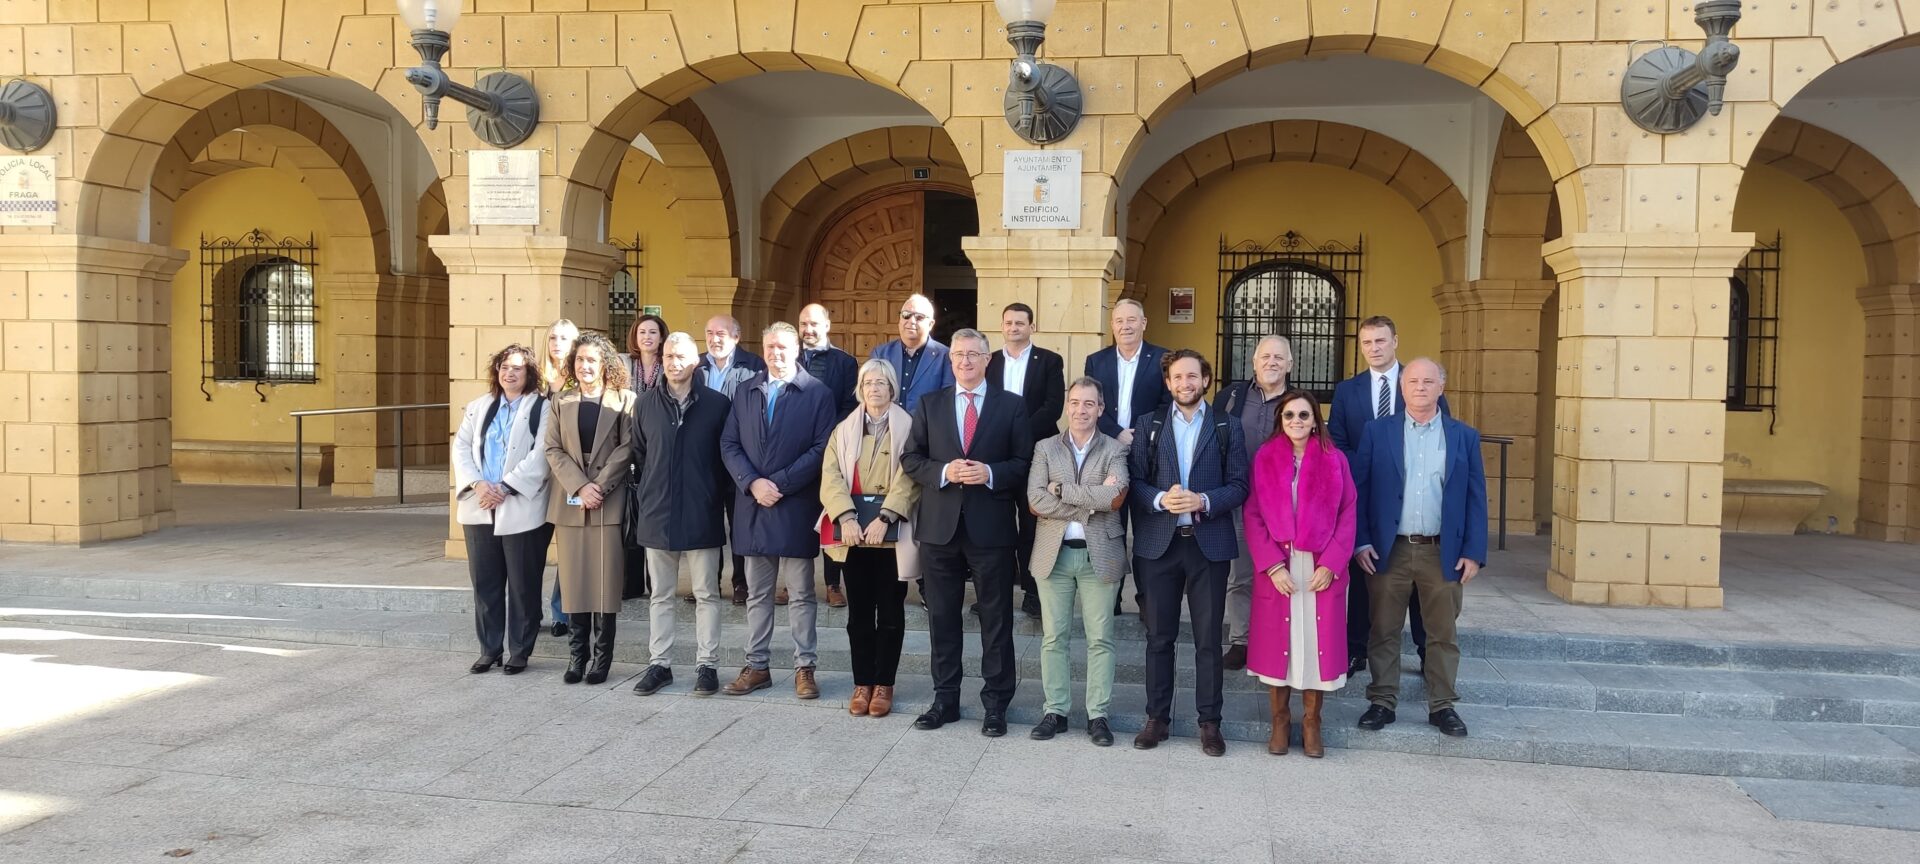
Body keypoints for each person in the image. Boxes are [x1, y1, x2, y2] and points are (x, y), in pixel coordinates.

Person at [901, 328, 1032, 736]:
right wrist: (944, 471)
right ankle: (946, 699)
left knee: (996, 620)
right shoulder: (930, 404)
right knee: (942, 618)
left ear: (987, 360)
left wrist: (989, 472)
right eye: (959, 355)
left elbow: (1024, 462)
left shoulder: (1011, 407)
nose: (965, 361)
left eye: (973, 354)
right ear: (950, 360)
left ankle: (996, 703)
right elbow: (910, 458)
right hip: (940, 530)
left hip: (990, 529)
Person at [1352, 358, 1487, 739]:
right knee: (1383, 629)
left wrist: (1474, 551)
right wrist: (1360, 540)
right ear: (1402, 387)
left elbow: (1477, 496)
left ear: (1441, 387)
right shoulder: (1377, 432)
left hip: (1440, 551)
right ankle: (1382, 701)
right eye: (1413, 381)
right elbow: (1360, 492)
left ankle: (1442, 706)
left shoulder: (1463, 436)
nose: (1421, 387)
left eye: (1429, 381)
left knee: (1442, 633)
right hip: (1387, 551)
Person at [1126, 348, 1250, 756]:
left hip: (1208, 547)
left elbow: (1238, 486)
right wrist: (1162, 499)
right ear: (1168, 383)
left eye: (1192, 377)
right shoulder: (1149, 424)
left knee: (1208, 641)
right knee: (1158, 638)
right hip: (1158, 547)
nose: (1185, 383)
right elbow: (1135, 483)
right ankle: (1156, 719)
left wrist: (1205, 501)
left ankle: (1209, 723)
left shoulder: (1227, 426)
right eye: (1177, 377)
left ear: (1205, 380)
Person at [717, 322, 838, 699]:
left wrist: (780, 483)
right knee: (757, 593)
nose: (776, 353)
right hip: (753, 504)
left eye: (783, 347)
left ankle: (805, 668)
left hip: (796, 503)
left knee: (801, 592)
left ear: (797, 349)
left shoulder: (816, 393)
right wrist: (752, 482)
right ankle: (757, 666)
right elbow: (729, 442)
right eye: (770, 346)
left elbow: (822, 448)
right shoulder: (746, 389)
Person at [1242, 388, 1356, 758]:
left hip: (1320, 567)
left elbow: (1348, 513)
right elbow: (1254, 514)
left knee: (1313, 646)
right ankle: (1279, 720)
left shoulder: (1334, 459)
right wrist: (1272, 565)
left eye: (1303, 415)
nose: (1296, 422)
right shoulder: (1266, 458)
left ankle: (1311, 722)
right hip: (1280, 566)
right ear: (1281, 420)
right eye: (1289, 415)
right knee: (1281, 646)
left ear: (1315, 420)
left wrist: (1333, 565)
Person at [1328, 316, 1441, 674]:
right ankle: (1356, 648)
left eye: (1380, 341)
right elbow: (1338, 442)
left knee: (1421, 582)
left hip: (1416, 499)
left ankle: (1426, 653)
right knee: (1365, 573)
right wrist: (1370, 465)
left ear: (1395, 341)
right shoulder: (1348, 390)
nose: (1373, 349)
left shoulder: (1421, 382)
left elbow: (1443, 436)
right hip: (1366, 497)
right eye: (1366, 343)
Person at [1024, 377, 1129, 747]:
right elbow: (1036, 501)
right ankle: (1056, 710)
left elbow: (1115, 498)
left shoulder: (1115, 449)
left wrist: (1063, 491)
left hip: (1100, 555)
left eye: (1089, 404)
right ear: (1066, 406)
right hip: (1054, 556)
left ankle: (1098, 715)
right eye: (1075, 403)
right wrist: (1091, 500)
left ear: (1101, 409)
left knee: (1101, 638)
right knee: (1054, 638)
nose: (1081, 410)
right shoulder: (1045, 448)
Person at [627, 332, 732, 699]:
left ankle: (708, 665)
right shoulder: (644, 405)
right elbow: (639, 456)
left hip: (702, 511)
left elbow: (725, 460)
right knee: (661, 594)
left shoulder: (718, 405)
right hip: (657, 512)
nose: (673, 362)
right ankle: (660, 664)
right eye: (668, 355)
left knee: (706, 593)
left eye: (681, 356)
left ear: (695, 362)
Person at [820, 359, 922, 718]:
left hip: (891, 534)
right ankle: (861, 682)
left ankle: (884, 683)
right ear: (860, 389)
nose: (874, 389)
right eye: (868, 383)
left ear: (892, 389)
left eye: (881, 383)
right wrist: (845, 516)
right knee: (859, 614)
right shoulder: (844, 429)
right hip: (854, 535)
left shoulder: (909, 427)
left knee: (891, 613)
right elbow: (830, 475)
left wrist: (887, 516)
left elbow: (912, 475)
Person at [452, 343, 552, 675]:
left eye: (517, 368)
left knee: (523, 584)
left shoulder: (542, 408)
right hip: (481, 504)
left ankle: (520, 650)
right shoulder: (479, 407)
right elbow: (462, 447)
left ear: (530, 374)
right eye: (504, 367)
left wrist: (506, 487)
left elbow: (542, 454)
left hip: (519, 505)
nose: (509, 373)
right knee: (485, 582)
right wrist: (479, 485)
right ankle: (489, 648)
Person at [542, 331, 636, 685]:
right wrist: (580, 486)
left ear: (605, 365)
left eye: (592, 360)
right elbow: (553, 449)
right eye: (580, 360)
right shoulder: (560, 400)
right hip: (570, 500)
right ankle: (576, 657)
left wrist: (598, 486)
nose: (584, 366)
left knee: (605, 582)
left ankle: (601, 660)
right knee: (574, 580)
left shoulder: (626, 400)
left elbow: (628, 447)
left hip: (607, 500)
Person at [1084, 298, 1169, 618]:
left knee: (1148, 529)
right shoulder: (1097, 360)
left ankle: (1146, 599)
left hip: (1150, 454)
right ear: (1112, 325)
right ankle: (1112, 597)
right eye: (1119, 321)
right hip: (1108, 453)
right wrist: (1117, 432)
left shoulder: (1162, 358)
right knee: (1110, 527)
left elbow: (1166, 403)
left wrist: (1144, 433)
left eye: (1132, 320)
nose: (1125, 326)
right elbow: (1090, 403)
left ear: (1144, 323)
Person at [1214, 335, 1294, 672]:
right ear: (1253, 361)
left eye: (1279, 357)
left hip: (1284, 503)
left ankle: (1279, 639)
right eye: (1265, 356)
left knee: (1284, 574)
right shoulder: (1232, 397)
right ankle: (1241, 640)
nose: (1271, 362)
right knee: (1242, 574)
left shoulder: (1297, 402)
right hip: (1238, 497)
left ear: (1290, 364)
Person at [986, 302, 1065, 620]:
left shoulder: (1048, 360)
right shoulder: (988, 361)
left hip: (1037, 453)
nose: (1014, 327)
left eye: (1020, 322)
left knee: (1033, 523)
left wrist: (1018, 432)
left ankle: (1033, 592)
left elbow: (1053, 406)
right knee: (996, 524)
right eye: (1008, 323)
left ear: (1032, 326)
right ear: (1002, 326)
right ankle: (997, 591)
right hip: (996, 455)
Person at [701, 314, 768, 605]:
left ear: (736, 337)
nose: (715, 339)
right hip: (703, 461)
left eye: (721, 333)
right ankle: (708, 582)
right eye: (710, 333)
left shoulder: (753, 366)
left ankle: (741, 583)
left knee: (739, 524)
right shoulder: (696, 367)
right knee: (707, 524)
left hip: (738, 459)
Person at [799, 302, 861, 609]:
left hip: (831, 451)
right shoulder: (788, 356)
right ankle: (796, 582)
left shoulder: (845, 362)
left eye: (813, 324)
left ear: (827, 325)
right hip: (793, 453)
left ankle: (833, 583)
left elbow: (850, 406)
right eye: (803, 324)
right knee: (797, 518)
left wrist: (828, 440)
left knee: (831, 514)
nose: (808, 330)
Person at [539, 318, 580, 637]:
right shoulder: (533, 379)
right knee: (531, 549)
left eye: (564, 338)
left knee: (567, 549)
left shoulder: (580, 380)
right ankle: (527, 611)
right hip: (532, 476)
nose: (557, 343)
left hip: (566, 474)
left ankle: (562, 613)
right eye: (553, 337)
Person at [871, 293, 953, 412]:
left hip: (927, 428)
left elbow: (947, 400)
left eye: (919, 317)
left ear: (931, 324)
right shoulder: (881, 354)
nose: (911, 321)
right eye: (906, 315)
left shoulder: (945, 356)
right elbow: (871, 394)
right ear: (899, 320)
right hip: (889, 427)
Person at [625, 313, 669, 393]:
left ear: (661, 338)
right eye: (642, 332)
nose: (647, 337)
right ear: (635, 337)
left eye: (652, 332)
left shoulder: (668, 365)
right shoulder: (624, 364)